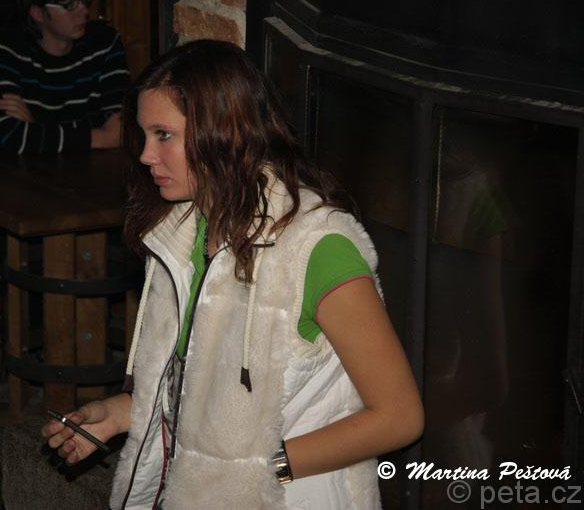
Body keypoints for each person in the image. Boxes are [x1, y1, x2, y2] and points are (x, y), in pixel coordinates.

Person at [42, 40, 424, 508]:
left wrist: (265, 470)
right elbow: (200, 388)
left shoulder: (319, 248)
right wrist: (120, 414)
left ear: (225, 133)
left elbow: (400, 417)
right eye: (143, 135)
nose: (145, 155)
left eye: (164, 135)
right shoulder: (181, 233)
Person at [0, 0, 131, 155]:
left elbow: (121, 130)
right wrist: (101, 137)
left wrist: (37, 127)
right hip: (20, 169)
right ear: (38, 13)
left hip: (89, 167)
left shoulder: (104, 42)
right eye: (69, 4)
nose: (84, 10)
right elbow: (11, 137)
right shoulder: (7, 50)